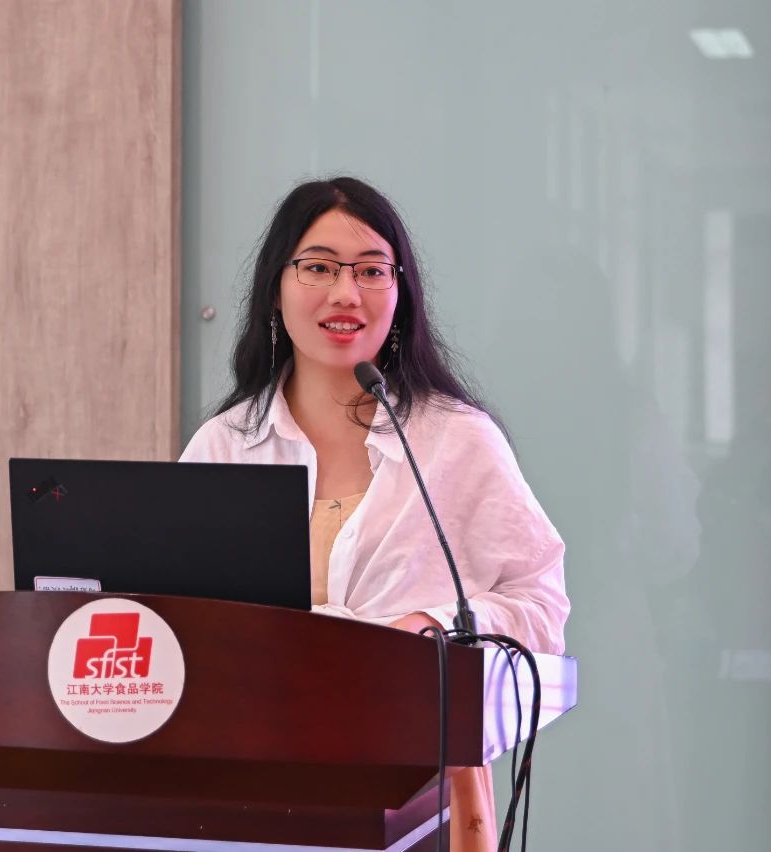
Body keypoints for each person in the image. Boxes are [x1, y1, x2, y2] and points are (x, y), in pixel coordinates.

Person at [180, 176, 569, 852]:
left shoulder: (456, 441)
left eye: (370, 270)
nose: (345, 293)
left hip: (418, 802)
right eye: (319, 267)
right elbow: (172, 615)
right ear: (275, 288)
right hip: (246, 793)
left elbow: (540, 606)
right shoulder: (225, 445)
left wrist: (434, 630)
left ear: (400, 293)